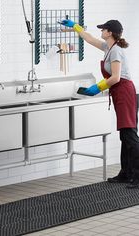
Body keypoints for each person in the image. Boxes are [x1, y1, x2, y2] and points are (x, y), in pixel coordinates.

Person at [61, 19, 139, 188]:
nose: (101, 31)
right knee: (124, 135)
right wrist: (75, 27)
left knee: (130, 136)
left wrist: (96, 88)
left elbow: (116, 77)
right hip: (119, 93)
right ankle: (126, 173)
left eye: (103, 29)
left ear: (110, 32)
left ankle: (137, 176)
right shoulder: (108, 48)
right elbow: (89, 39)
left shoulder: (116, 51)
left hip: (125, 92)